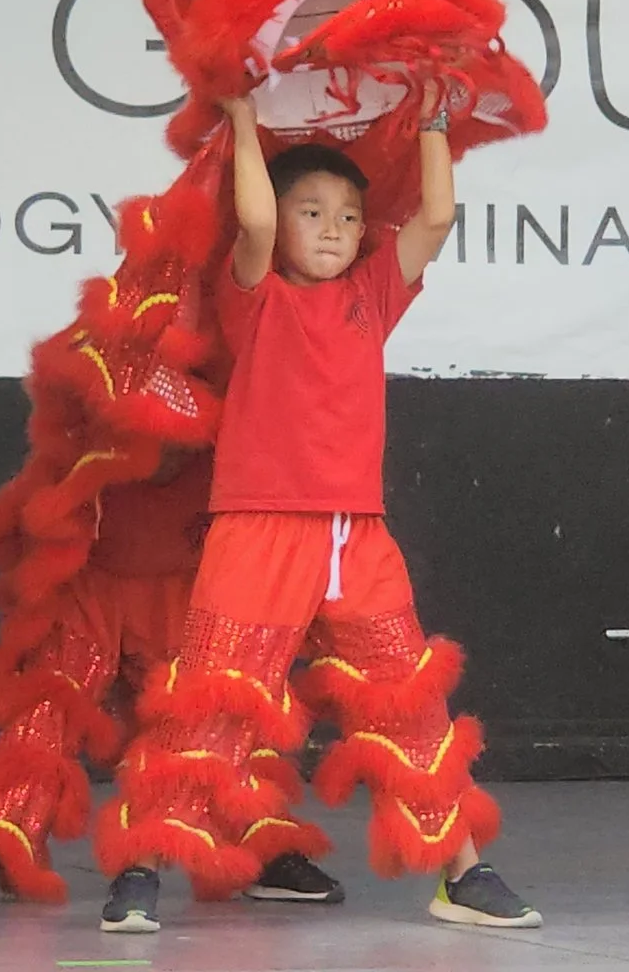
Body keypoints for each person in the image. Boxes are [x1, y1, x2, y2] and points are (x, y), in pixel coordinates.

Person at [93, 89, 540, 935]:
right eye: (312, 211)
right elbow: (254, 218)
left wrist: (436, 120)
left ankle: (461, 874)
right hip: (258, 527)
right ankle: (141, 871)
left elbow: (436, 217)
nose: (332, 228)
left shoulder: (373, 293)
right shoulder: (254, 293)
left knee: (406, 700)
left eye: (346, 215)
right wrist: (244, 116)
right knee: (213, 701)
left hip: (356, 534)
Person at [0, 453, 343, 907]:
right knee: (49, 703)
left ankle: (257, 844)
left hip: (193, 562)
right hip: (93, 563)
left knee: (210, 712)